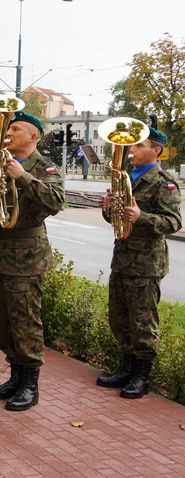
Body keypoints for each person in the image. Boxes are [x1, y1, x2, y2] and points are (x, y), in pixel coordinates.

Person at [0, 111, 64, 412]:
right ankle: (15, 376)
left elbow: (54, 201)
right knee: (3, 321)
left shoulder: (45, 166)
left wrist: (22, 177)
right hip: (2, 252)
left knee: (26, 322)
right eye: (7, 128)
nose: (8, 133)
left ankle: (30, 384)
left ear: (33, 136)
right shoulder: (0, 164)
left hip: (28, 255)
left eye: (15, 129)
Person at [96, 126, 181, 399]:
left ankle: (142, 376)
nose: (130, 150)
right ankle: (127, 368)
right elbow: (118, 220)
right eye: (130, 146)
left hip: (146, 264)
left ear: (155, 150)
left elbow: (174, 222)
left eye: (137, 145)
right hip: (121, 259)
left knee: (143, 321)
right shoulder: (124, 177)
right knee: (119, 317)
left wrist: (141, 216)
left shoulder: (163, 181)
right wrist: (109, 210)